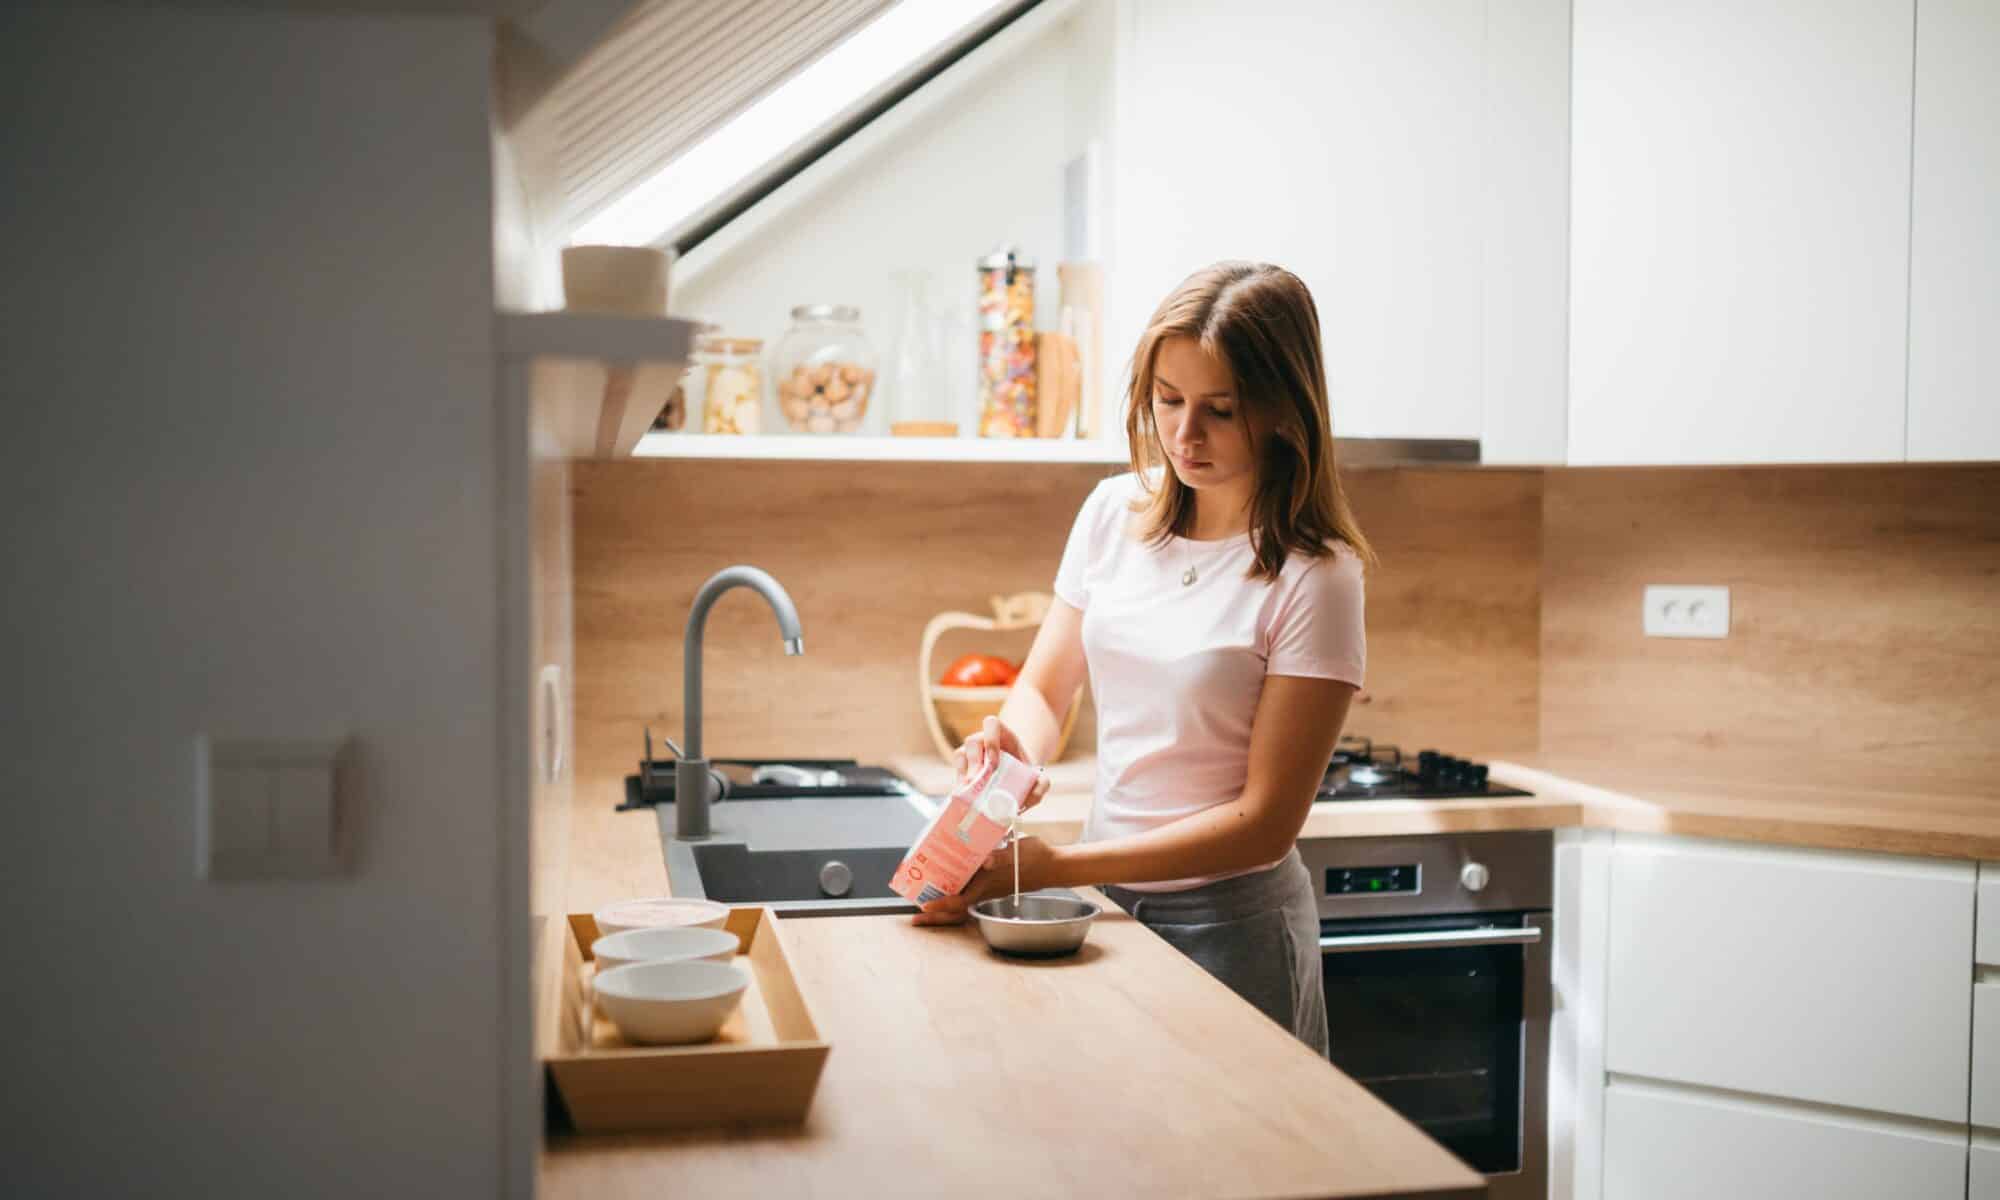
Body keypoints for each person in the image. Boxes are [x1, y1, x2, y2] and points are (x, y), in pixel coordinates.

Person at [913, 261, 1374, 1057]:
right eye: (1167, 400)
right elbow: (1045, 692)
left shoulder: (1316, 575)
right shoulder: (1112, 513)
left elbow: (1264, 824)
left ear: (1281, 408)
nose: (1185, 435)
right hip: (1108, 910)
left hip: (1234, 929)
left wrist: (1058, 864)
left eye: (1220, 410)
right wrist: (1008, 753)